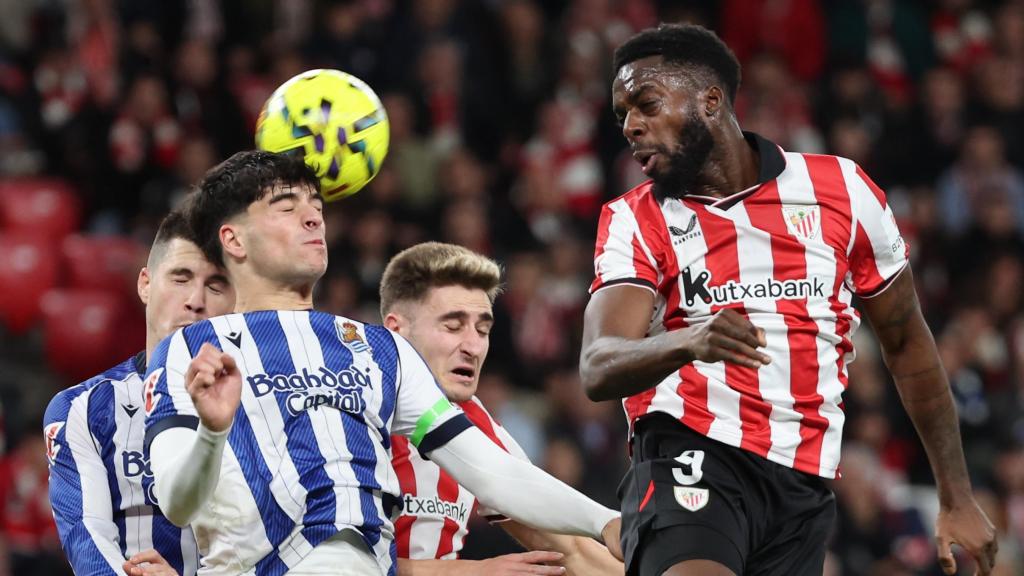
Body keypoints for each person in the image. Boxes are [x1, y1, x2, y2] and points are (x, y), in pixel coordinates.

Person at [579, 23, 998, 576]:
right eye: (622, 115)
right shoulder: (636, 218)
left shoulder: (842, 190)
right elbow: (598, 363)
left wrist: (956, 494)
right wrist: (689, 341)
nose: (631, 125)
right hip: (689, 448)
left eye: (646, 104)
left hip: (802, 481)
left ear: (711, 100)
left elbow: (908, 347)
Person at [142, 150, 622, 576]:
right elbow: (176, 503)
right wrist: (211, 432)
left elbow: (489, 470)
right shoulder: (191, 351)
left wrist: (606, 521)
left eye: (316, 207)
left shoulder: (376, 349)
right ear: (234, 240)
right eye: (288, 208)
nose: (313, 219)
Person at [380, 242, 623, 576]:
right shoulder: (355, 408)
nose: (473, 346)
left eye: (483, 329)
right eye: (453, 327)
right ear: (396, 330)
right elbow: (326, 562)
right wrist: (470, 573)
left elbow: (572, 548)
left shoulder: (477, 424)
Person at [44, 210, 236, 576]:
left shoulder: (262, 402)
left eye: (216, 285)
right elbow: (89, 543)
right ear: (145, 285)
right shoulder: (82, 410)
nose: (196, 300)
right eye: (181, 278)